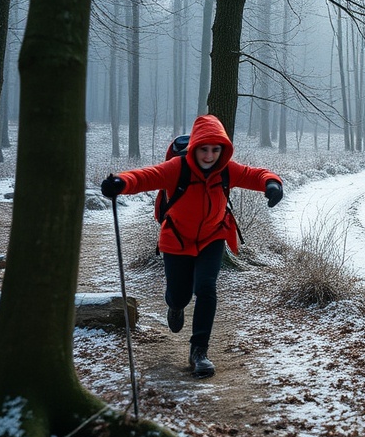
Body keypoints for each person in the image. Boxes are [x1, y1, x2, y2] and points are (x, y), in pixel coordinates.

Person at [101, 114, 283, 378]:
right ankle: (174, 306)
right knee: (180, 295)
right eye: (204, 149)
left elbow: (256, 174)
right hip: (177, 240)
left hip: (213, 237)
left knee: (206, 288)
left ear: (223, 150)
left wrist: (272, 183)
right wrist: (121, 182)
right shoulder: (177, 168)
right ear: (194, 147)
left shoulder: (227, 170)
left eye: (215, 150)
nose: (209, 156)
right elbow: (147, 176)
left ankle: (199, 352)